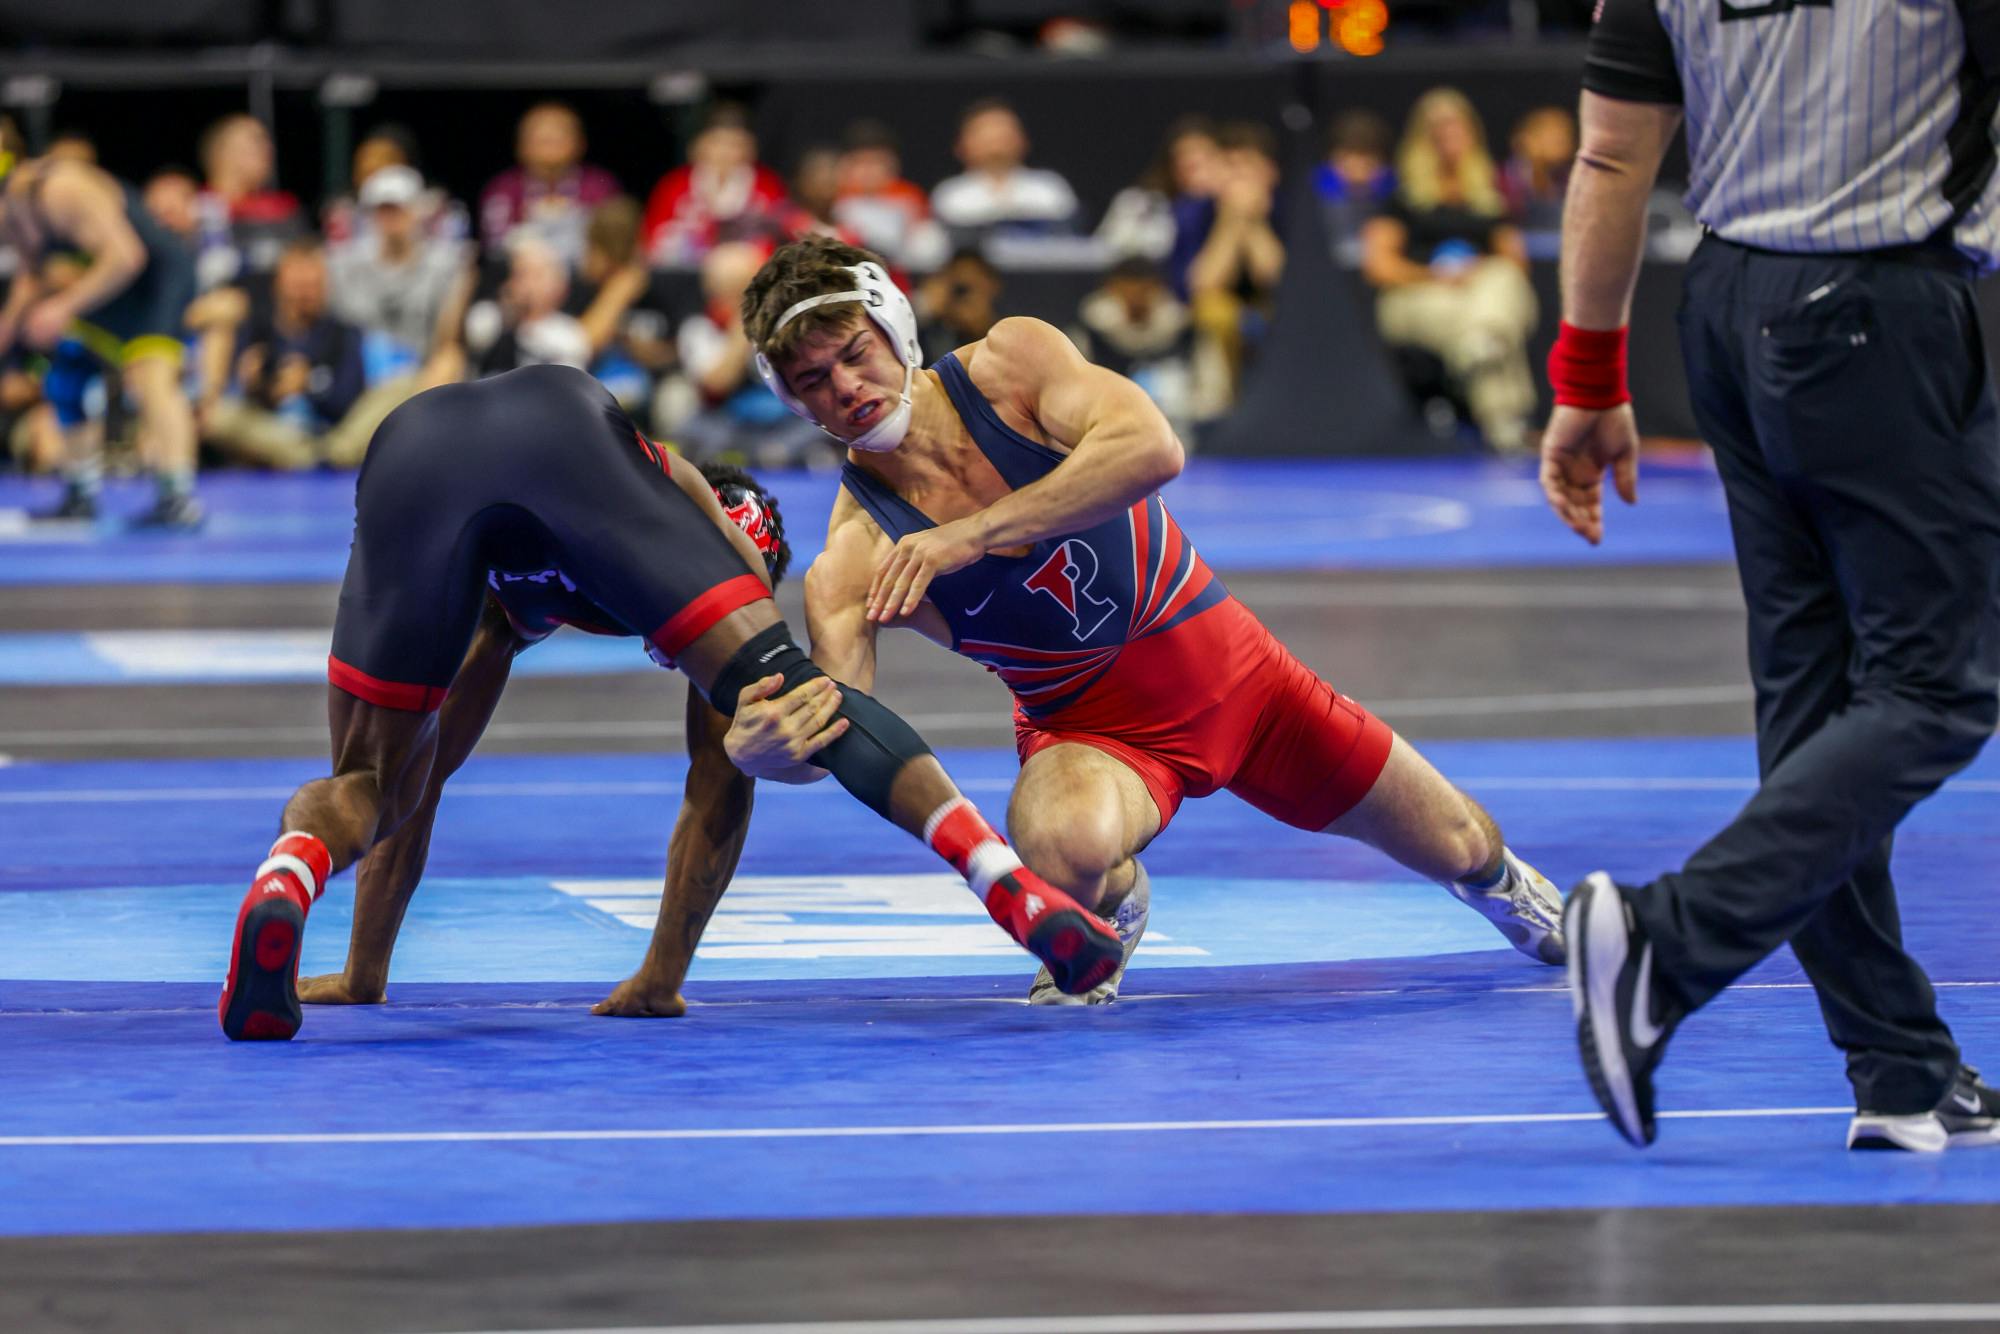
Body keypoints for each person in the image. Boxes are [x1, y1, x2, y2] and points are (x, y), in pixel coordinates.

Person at [715, 236, 1567, 1008]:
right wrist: (767, 752)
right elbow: (843, 727)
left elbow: (1151, 449)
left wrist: (972, 535)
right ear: (790, 401)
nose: (848, 389)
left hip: (1251, 685)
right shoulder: (854, 556)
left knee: (1458, 842)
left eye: (854, 355)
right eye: (813, 380)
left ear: (894, 326)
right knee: (1053, 844)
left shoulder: (1011, 366)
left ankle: (1500, 883)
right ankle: (1114, 898)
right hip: (1095, 737)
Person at [218, 364, 1126, 1041]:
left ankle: (287, 873)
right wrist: (660, 976)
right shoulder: (677, 514)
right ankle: (1007, 884)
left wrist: (367, 973)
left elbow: (427, 773)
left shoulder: (506, 605)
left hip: (413, 449)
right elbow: (716, 785)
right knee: (796, 693)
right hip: (566, 438)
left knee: (375, 779)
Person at [1543, 0, 2000, 1152]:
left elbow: (1609, 151)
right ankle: (1661, 941)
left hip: (1730, 311)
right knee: (1933, 689)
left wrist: (1587, 374)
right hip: (1873, 309)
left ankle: (1895, 1062)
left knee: (1811, 699)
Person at [0, 118, 203, 527]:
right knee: (66, 373)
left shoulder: (60, 188)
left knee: (151, 377)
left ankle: (176, 496)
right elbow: (30, 278)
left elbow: (127, 256)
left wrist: (62, 307)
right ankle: (81, 493)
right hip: (106, 284)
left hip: (153, 279)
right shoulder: (14, 208)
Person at [1361, 88, 1538, 453]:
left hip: (1478, 293)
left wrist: (1476, 272)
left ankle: (1480, 345)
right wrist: (1434, 277)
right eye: (1438, 131)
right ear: (1421, 139)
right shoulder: (1402, 195)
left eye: (1456, 129)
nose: (1448, 139)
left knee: (1501, 285)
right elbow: (1378, 265)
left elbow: (1516, 261)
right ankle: (1504, 417)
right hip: (1418, 293)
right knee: (1474, 319)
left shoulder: (1491, 193)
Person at [203, 237, 365, 470]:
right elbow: (245, 401)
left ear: (325, 287)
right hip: (273, 433)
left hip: (328, 431)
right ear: (279, 284)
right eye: (297, 285)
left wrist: (309, 385)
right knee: (220, 417)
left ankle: (320, 455)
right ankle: (307, 456)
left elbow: (350, 398)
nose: (304, 294)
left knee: (355, 431)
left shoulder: (342, 333)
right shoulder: (258, 330)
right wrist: (256, 385)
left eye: (312, 286)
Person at [642, 105, 789, 267]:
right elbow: (653, 236)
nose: (724, 153)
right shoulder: (674, 184)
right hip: (685, 271)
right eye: (717, 143)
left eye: (735, 145)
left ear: (750, 149)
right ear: (699, 146)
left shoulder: (767, 184)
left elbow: (775, 236)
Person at [478, 102, 622, 267]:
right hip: (524, 277)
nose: (549, 146)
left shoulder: (600, 185)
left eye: (558, 138)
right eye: (540, 139)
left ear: (580, 143)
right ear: (521, 146)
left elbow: (614, 245)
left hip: (587, 276)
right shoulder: (503, 187)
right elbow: (496, 247)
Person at [929, 99, 1079, 244]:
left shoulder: (1050, 187)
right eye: (985, 135)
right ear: (961, 145)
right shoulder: (949, 194)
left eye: (1004, 133)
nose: (995, 143)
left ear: (1023, 140)